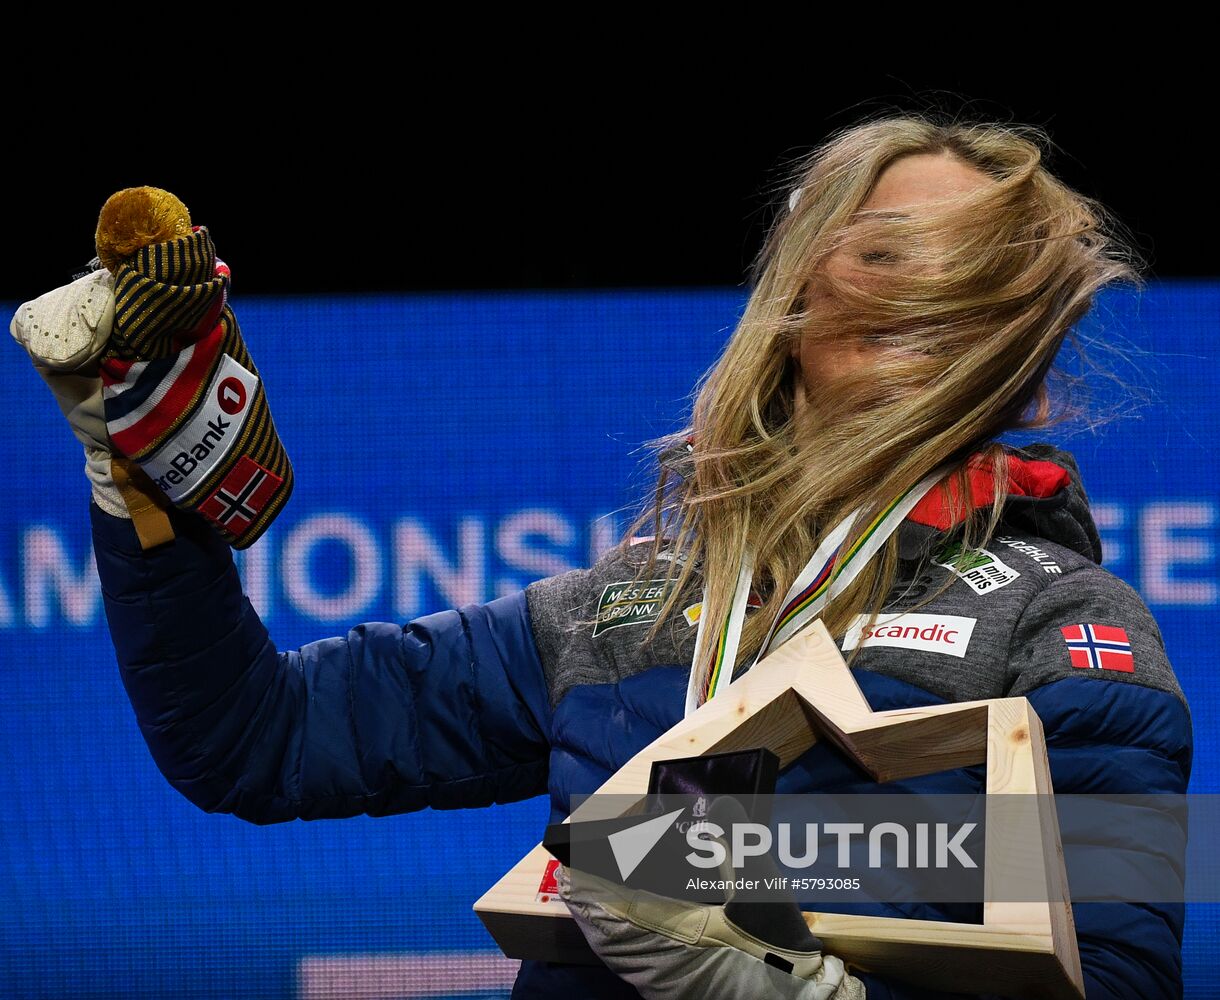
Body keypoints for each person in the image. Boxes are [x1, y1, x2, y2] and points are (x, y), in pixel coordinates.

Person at [14, 114, 1192, 999]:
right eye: (882, 251)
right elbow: (252, 740)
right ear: (792, 299)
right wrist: (144, 485)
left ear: (1016, 350)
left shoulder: (1067, 627)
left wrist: (804, 992)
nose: (914, 293)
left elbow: (1116, 978)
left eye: (965, 269)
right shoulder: (620, 615)